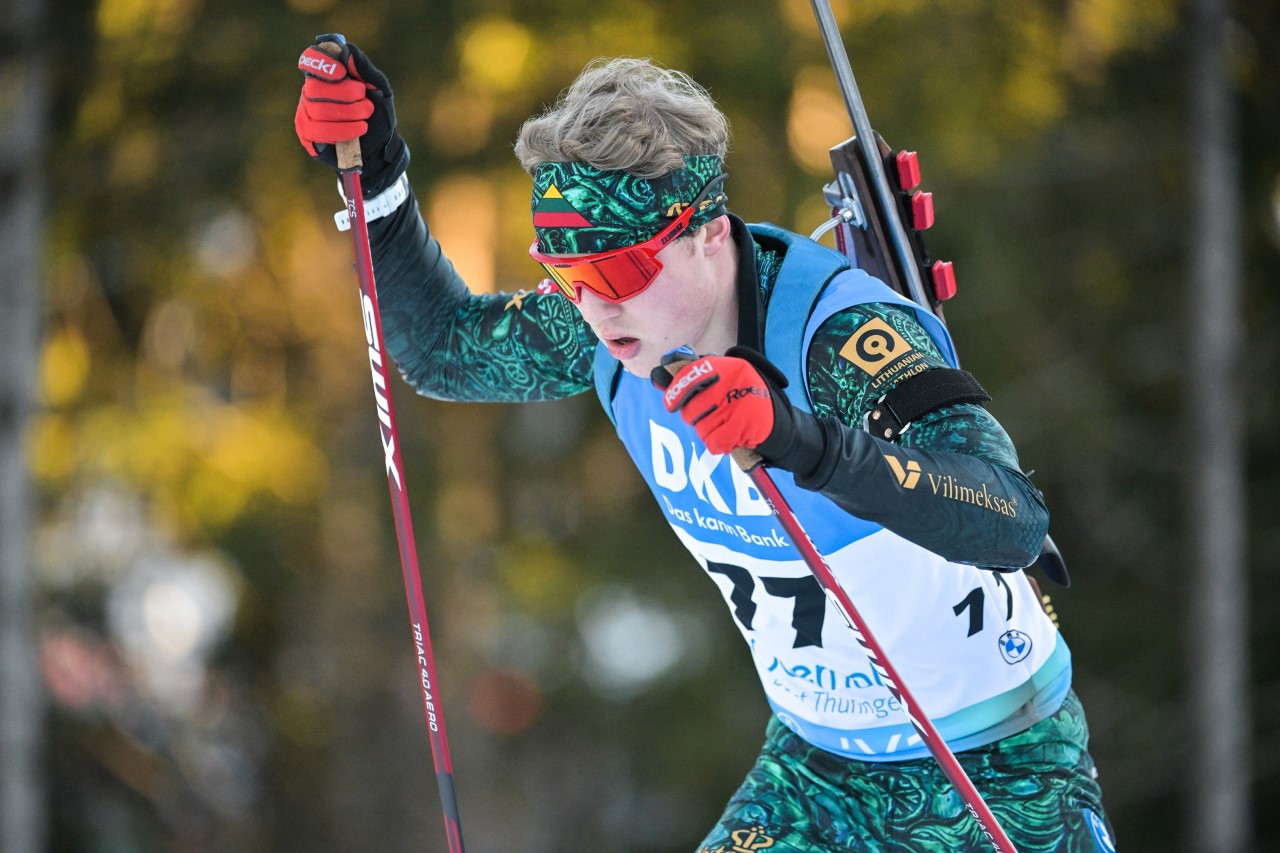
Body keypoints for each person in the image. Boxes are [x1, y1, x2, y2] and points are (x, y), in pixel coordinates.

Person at [294, 37, 1117, 852]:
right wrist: (377, 173)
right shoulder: (604, 328)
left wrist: (795, 437)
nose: (593, 307)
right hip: (816, 774)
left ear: (709, 234)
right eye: (564, 274)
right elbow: (444, 348)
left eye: (616, 273)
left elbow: (1011, 517)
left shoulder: (842, 335)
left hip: (997, 767)